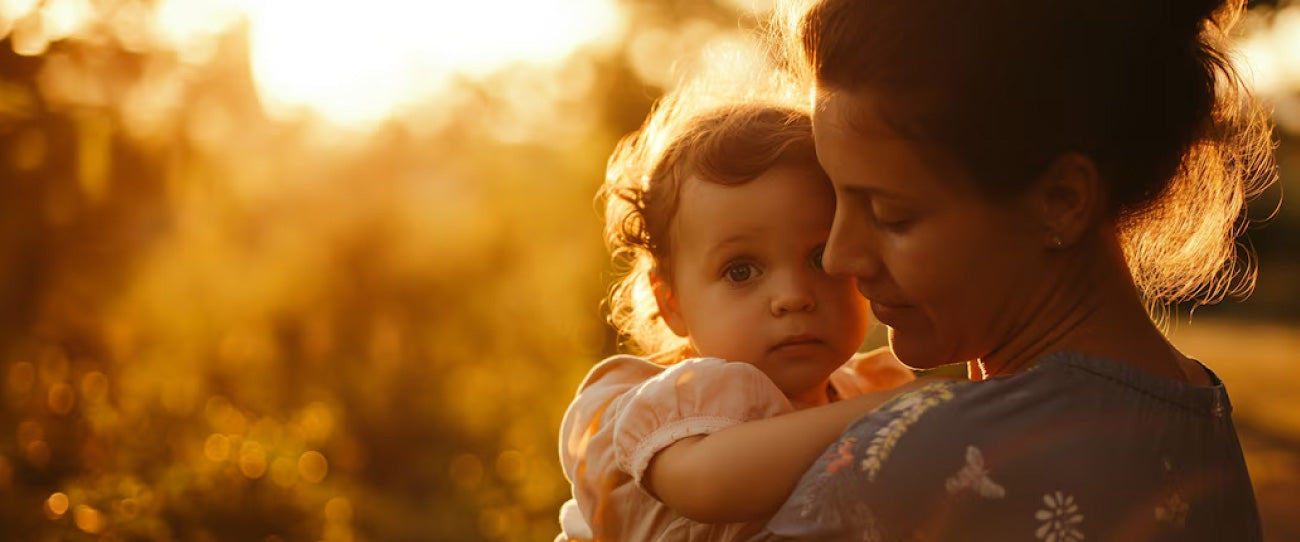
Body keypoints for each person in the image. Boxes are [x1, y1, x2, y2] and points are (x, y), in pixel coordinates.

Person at [753, 0, 1276, 540]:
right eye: (834, 199)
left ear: (1062, 200)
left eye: (891, 215)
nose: (840, 257)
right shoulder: (1193, 415)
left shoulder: (926, 451)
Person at [555, 88, 923, 541]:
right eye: (741, 270)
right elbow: (704, 484)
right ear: (672, 302)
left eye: (818, 256)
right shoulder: (681, 400)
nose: (792, 296)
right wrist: (893, 411)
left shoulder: (863, 388)